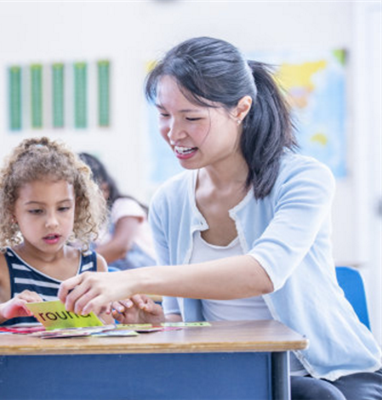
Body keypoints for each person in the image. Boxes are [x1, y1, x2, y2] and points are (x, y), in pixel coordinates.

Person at [59, 37, 382, 399]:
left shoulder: (303, 178)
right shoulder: (169, 200)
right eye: (164, 114)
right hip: (231, 376)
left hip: (331, 375)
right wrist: (154, 324)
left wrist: (132, 280)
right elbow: (184, 317)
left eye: (192, 117)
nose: (174, 132)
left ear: (241, 109)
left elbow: (263, 273)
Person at [0, 137, 113, 327]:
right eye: (36, 211)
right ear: (12, 212)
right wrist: (4, 310)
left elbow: (107, 330)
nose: (52, 222)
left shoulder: (94, 265)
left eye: (63, 208)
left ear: (78, 206)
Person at [78, 152, 157, 271]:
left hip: (149, 280)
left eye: (83, 195)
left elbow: (120, 248)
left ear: (104, 190)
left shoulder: (124, 206)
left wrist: (74, 265)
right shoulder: (80, 228)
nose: (78, 202)